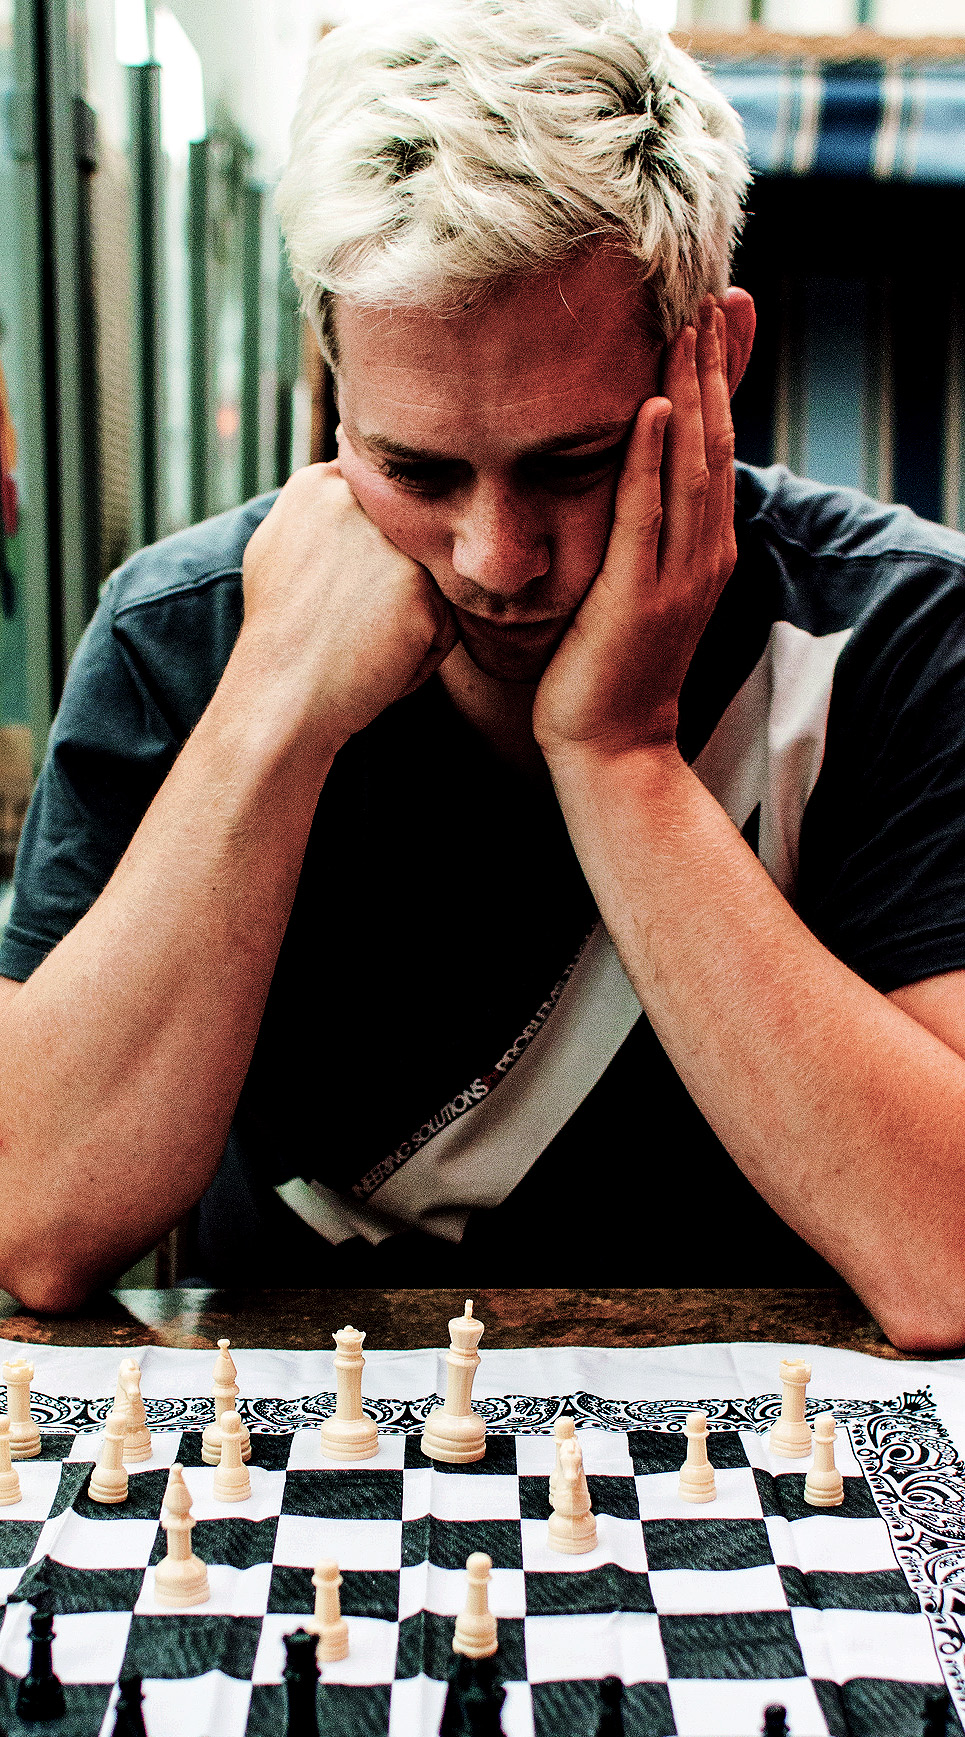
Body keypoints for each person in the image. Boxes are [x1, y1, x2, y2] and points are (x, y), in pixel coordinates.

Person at [1, 0, 965, 1347]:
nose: (495, 556)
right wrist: (269, 710)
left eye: (570, 464)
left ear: (715, 360)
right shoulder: (182, 631)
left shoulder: (903, 636)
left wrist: (618, 755)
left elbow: (951, 1255)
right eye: (414, 470)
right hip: (291, 1479)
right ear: (329, 384)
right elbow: (36, 1223)